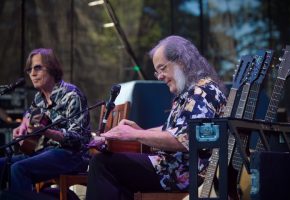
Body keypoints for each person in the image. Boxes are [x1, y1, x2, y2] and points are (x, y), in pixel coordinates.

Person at [86, 35, 227, 200]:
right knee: (110, 165)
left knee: (103, 164)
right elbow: (176, 129)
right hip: (174, 167)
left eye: (162, 68)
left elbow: (185, 139)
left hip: (185, 173)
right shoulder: (192, 91)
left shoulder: (201, 92)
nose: (159, 76)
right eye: (157, 71)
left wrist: (135, 135)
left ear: (181, 62)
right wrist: (140, 131)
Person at [0, 48, 91, 191]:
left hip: (72, 155)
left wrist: (46, 132)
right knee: (2, 166)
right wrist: (22, 128)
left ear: (52, 68)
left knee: (19, 169)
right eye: (29, 70)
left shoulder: (72, 94)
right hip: (46, 151)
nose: (32, 74)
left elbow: (78, 139)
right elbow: (28, 117)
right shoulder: (38, 98)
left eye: (37, 68)